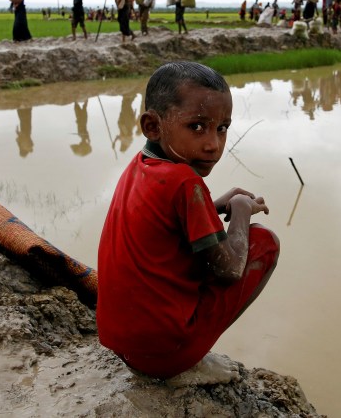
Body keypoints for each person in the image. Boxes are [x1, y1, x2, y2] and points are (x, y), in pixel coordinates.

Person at [96, 61, 280, 384]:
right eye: (197, 127)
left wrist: (216, 202)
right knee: (266, 242)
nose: (213, 144)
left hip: (121, 343)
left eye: (222, 128)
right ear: (153, 126)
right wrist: (238, 209)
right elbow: (230, 270)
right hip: (162, 356)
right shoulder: (185, 182)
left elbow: (168, 220)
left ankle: (181, 351)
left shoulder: (140, 166)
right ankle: (189, 359)